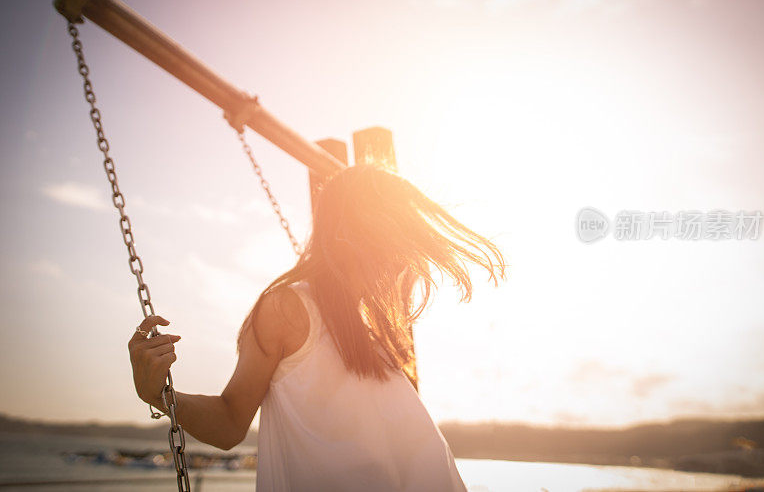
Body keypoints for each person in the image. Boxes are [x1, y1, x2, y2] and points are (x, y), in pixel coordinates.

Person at [128, 164, 507, 491]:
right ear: (355, 230)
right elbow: (230, 423)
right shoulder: (289, 307)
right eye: (394, 235)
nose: (400, 255)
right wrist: (160, 396)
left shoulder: (377, 322)